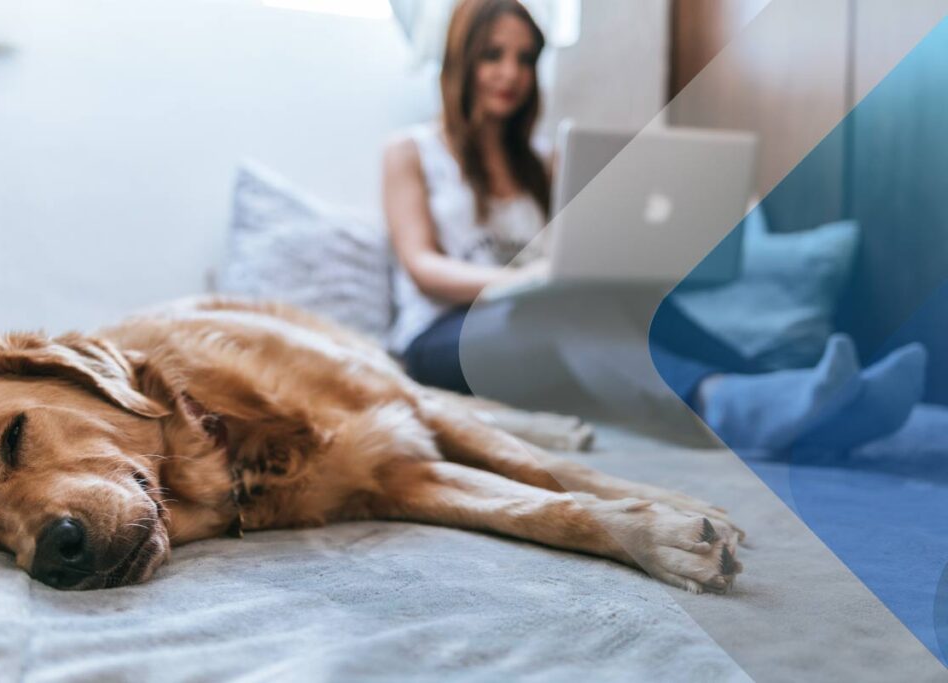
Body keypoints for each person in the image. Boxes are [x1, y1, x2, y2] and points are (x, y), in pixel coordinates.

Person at [381, 0, 926, 453]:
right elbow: (422, 267)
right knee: (563, 307)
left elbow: (573, 250)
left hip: (534, 318)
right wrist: (526, 282)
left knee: (634, 301)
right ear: (461, 60)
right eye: (493, 56)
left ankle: (812, 400)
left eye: (525, 59)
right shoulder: (412, 151)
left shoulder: (544, 162)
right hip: (443, 338)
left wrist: (598, 266)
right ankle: (729, 406)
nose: (511, 74)